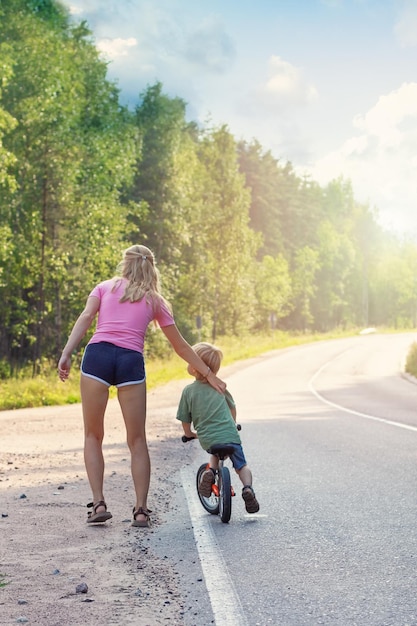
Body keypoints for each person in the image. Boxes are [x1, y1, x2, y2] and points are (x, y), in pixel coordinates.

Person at [58, 245, 226, 528]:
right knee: (137, 441)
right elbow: (181, 346)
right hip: (129, 361)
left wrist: (66, 353)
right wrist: (209, 374)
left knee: (92, 435)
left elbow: (86, 318)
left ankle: (98, 503)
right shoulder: (155, 300)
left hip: (97, 357)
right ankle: (140, 511)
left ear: (125, 264)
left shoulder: (103, 287)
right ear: (152, 266)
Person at [176, 342, 259, 514]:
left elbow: (185, 418)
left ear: (193, 367)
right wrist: (233, 424)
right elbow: (232, 407)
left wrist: (189, 433)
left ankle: (211, 472)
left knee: (215, 449)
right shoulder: (220, 386)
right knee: (241, 465)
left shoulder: (189, 391)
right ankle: (248, 488)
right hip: (230, 434)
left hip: (209, 437)